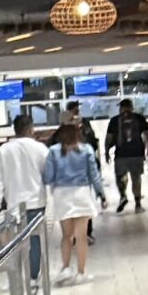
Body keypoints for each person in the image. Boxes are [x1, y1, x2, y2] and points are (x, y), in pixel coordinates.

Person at [0, 115, 51, 279]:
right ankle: (33, 274)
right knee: (35, 239)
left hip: (13, 204)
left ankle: (16, 273)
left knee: (14, 241)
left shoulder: (4, 150)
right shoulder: (40, 148)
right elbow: (48, 174)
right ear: (31, 129)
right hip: (36, 202)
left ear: (14, 129)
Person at [45, 121, 104, 283]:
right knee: (81, 236)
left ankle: (65, 268)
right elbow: (94, 174)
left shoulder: (53, 151)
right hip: (81, 193)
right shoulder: (87, 149)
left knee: (67, 236)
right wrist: (101, 193)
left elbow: (48, 177)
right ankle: (81, 273)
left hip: (62, 195)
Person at [104, 98, 148, 213]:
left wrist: (107, 152)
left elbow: (109, 138)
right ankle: (138, 204)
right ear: (132, 107)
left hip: (121, 154)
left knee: (120, 177)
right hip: (137, 153)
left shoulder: (115, 120)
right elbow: (147, 134)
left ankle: (123, 195)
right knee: (136, 178)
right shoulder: (139, 118)